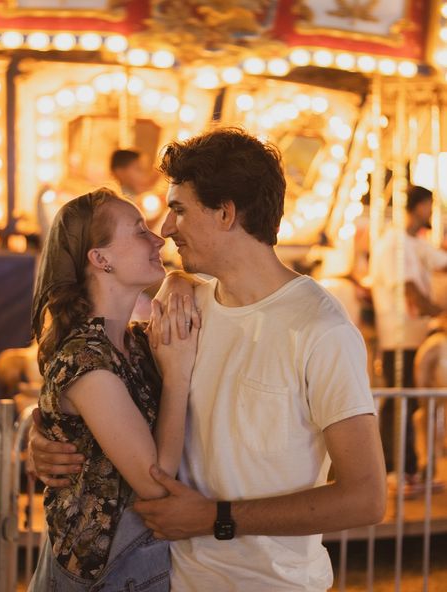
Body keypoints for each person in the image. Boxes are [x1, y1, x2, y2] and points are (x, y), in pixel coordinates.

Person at [31, 129, 386, 592]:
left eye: (178, 209)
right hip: (166, 574)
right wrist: (47, 435)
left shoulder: (321, 330)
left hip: (263, 582)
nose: (165, 230)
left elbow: (366, 497)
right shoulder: (186, 305)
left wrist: (217, 519)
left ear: (225, 213)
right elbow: (104, 389)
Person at [28, 187, 199, 591]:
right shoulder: (85, 361)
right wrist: (176, 378)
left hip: (136, 558)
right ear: (100, 259)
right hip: (107, 569)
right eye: (139, 231)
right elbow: (156, 483)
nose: (158, 238)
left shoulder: (135, 344)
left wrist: (177, 278)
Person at [371, 185, 447, 494]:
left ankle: (415, 468)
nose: (431, 212)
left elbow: (440, 261)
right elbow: (411, 291)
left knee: (415, 402)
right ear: (417, 207)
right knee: (398, 399)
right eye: (429, 206)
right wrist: (441, 311)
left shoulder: (415, 243)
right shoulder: (394, 244)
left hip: (415, 335)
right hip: (399, 334)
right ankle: (394, 469)